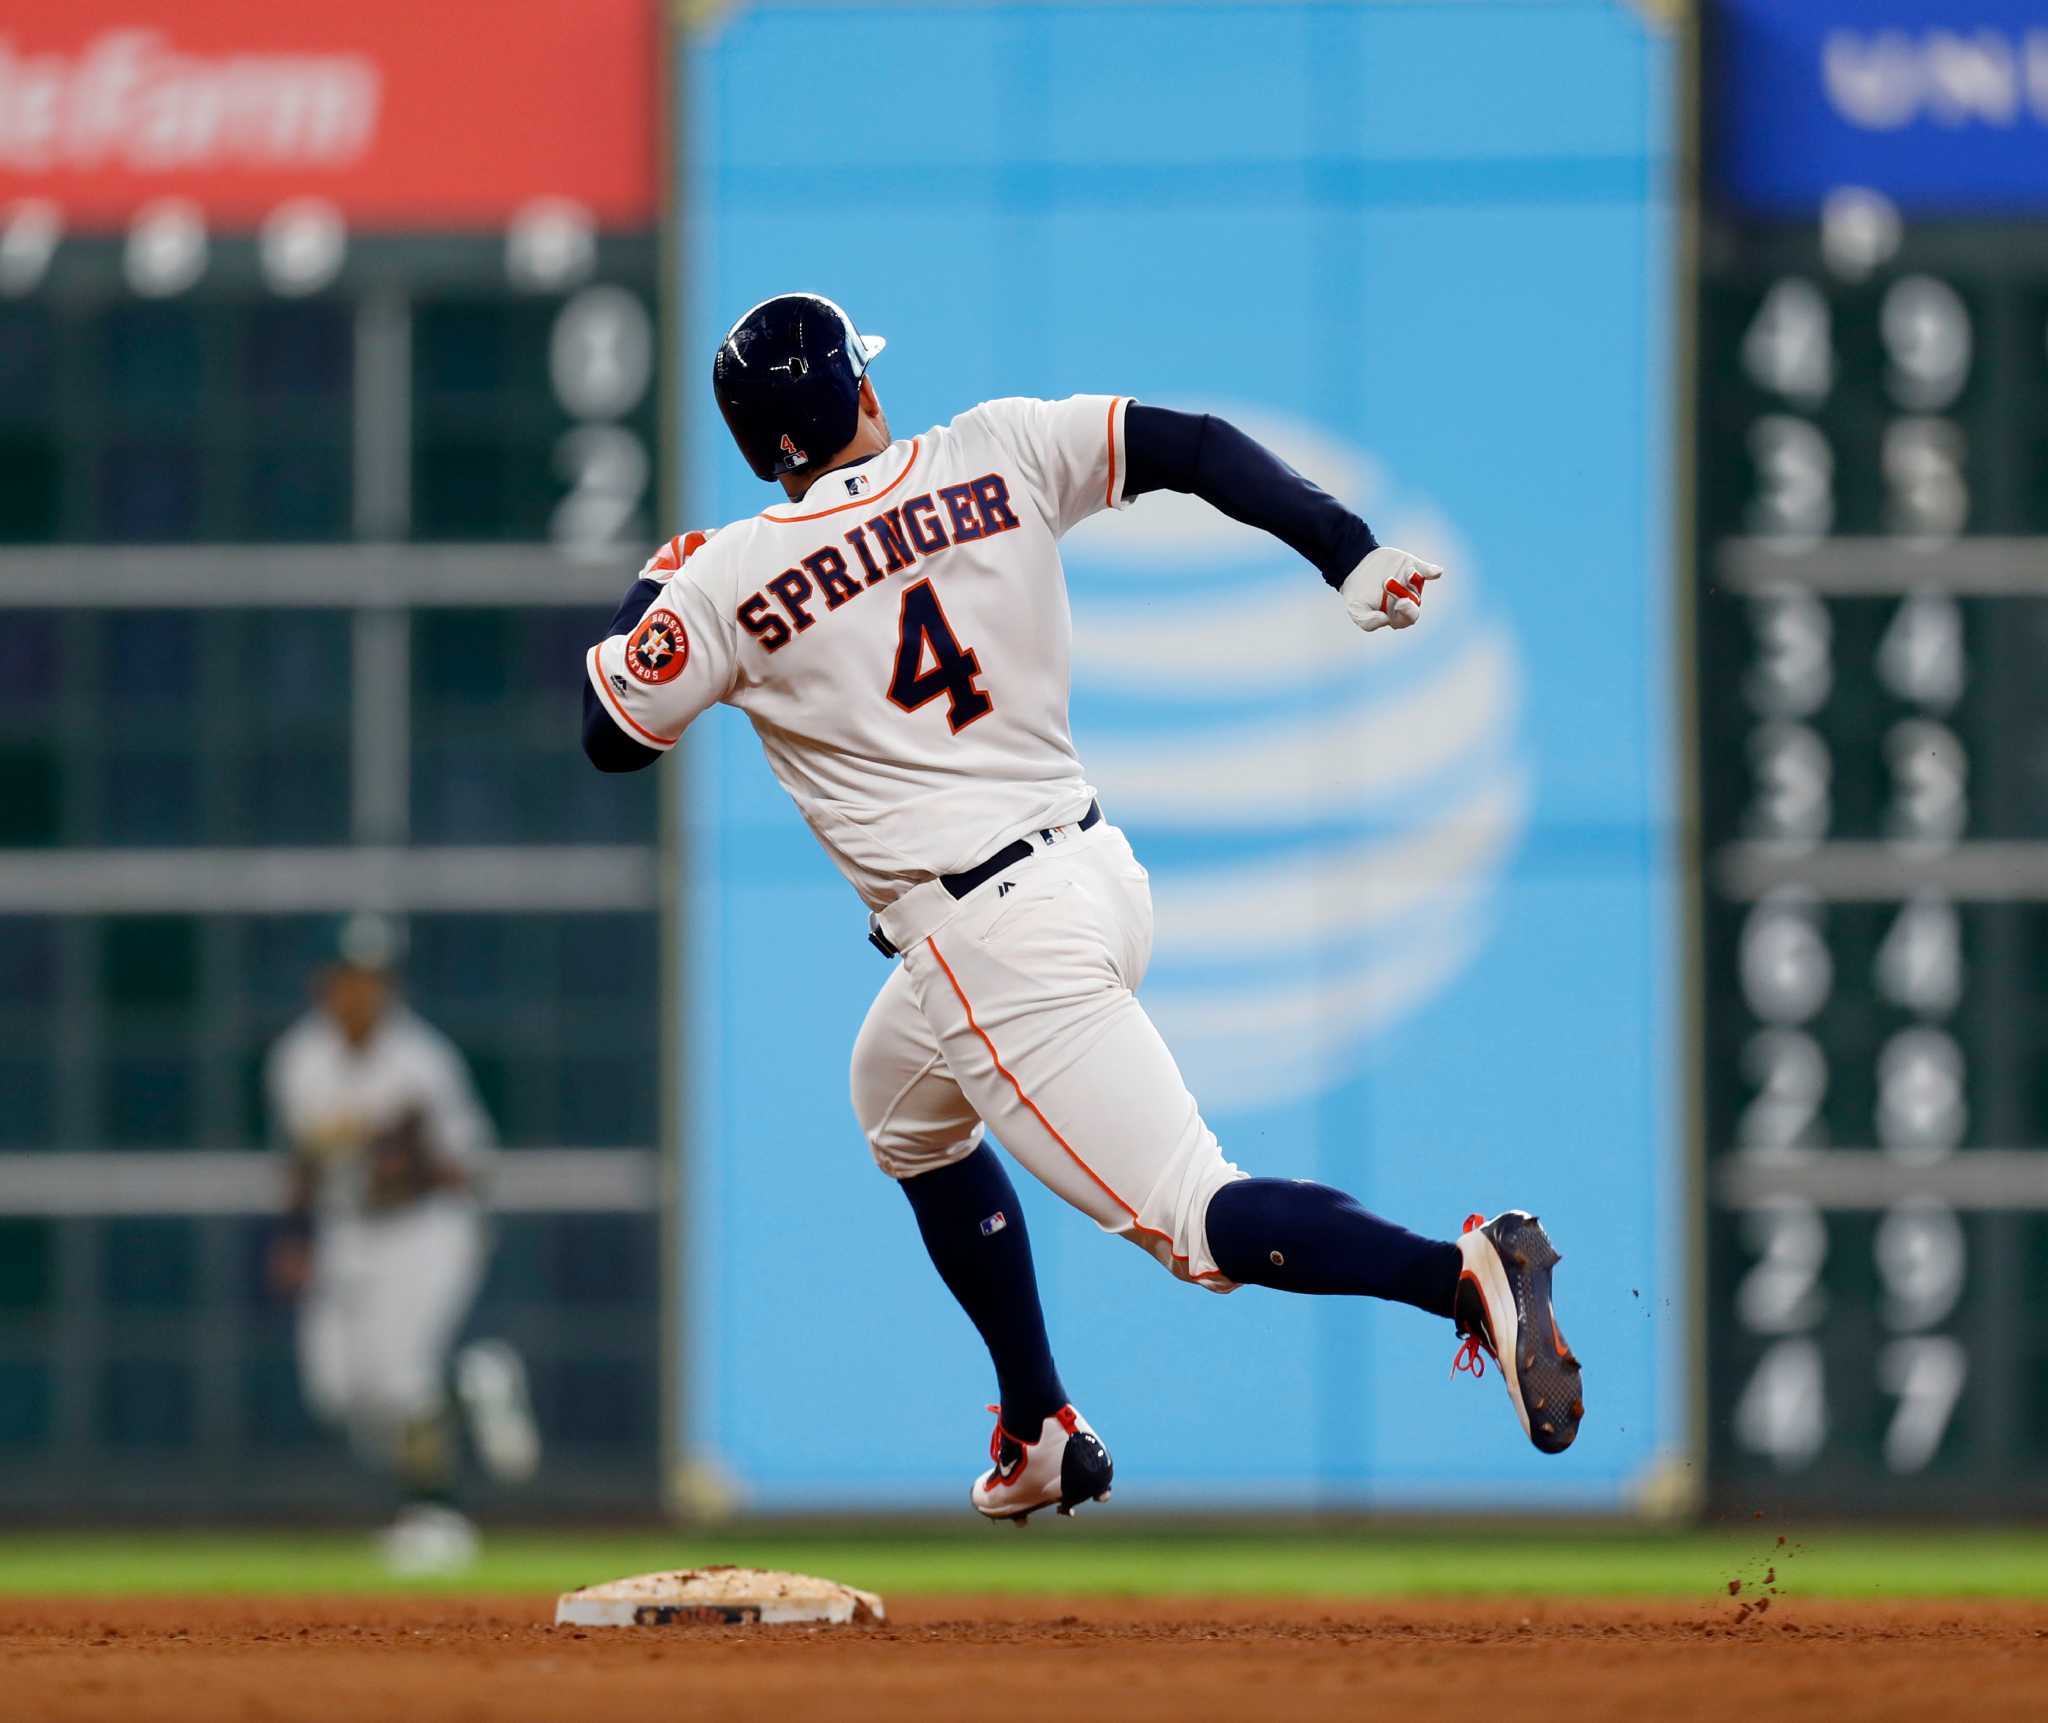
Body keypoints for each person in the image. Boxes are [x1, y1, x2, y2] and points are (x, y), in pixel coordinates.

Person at [581, 293, 1583, 1520]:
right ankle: (1038, 1423)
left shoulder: (730, 577)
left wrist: (648, 594)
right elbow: (1196, 447)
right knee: (896, 1104)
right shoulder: (993, 447)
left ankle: (1454, 1273)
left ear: (752, 446)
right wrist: (1345, 550)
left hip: (987, 939)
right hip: (1094, 874)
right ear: (864, 395)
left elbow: (609, 738)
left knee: (1196, 1219)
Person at [266, 914, 539, 1569]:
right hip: (346, 1231)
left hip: (428, 1230)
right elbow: (302, 1160)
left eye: (374, 979)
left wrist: (406, 1159)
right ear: (324, 984)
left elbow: (468, 1165)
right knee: (336, 1390)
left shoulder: (422, 1060)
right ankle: (471, 1386)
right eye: (350, 979)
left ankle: (434, 1514)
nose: (361, 992)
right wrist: (294, 1235)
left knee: (399, 1377)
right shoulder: (299, 1059)